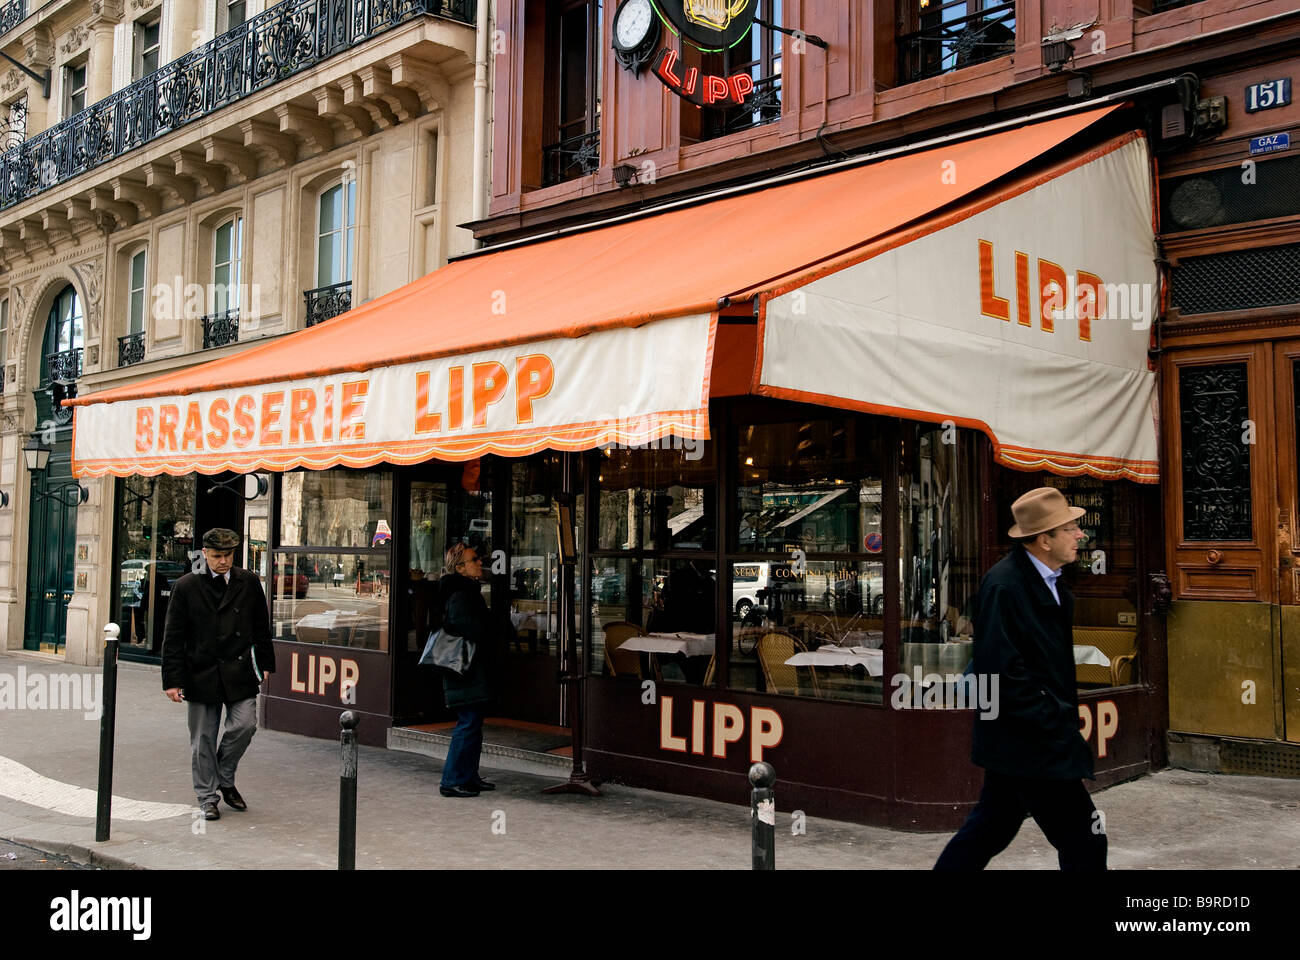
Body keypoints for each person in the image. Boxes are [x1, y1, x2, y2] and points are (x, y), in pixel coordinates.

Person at [934, 487, 1105, 870]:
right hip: (1031, 742)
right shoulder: (1005, 586)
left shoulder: (1054, 584)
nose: (1080, 535)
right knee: (1086, 837)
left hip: (1027, 742)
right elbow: (1000, 671)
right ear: (1045, 540)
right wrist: (1052, 718)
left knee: (990, 829)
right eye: (1071, 528)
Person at [162, 528, 275, 821]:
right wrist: (172, 681)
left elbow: (261, 627)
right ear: (204, 554)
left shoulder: (248, 582)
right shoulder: (187, 586)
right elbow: (173, 636)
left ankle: (224, 776)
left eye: (228, 555)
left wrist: (265, 666)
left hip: (239, 670)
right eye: (216, 556)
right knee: (202, 739)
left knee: (245, 724)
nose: (223, 561)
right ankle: (207, 796)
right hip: (201, 671)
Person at [434, 542, 501, 798]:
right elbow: (469, 630)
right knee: (468, 723)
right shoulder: (461, 595)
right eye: (474, 560)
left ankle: (469, 776)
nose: (479, 563)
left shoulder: (465, 591)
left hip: (469, 668)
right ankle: (451, 780)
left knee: (473, 723)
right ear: (460, 568)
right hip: (465, 669)